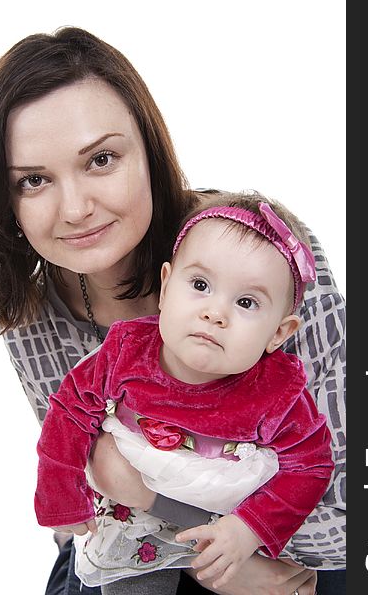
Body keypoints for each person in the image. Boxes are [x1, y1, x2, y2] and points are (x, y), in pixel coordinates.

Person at [0, 27, 345, 595]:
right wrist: (180, 537)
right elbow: (85, 495)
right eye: (34, 180)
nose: (76, 208)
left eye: (101, 159)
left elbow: (360, 511)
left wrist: (215, 537)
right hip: (147, 548)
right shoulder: (33, 317)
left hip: (291, 552)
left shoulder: (263, 257)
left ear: (149, 150)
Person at [34, 193, 334, 593]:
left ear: (279, 333)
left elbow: (311, 465)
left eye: (246, 302)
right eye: (200, 284)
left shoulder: (277, 393)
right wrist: (59, 488)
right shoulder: (127, 352)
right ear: (166, 284)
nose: (215, 312)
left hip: (222, 520)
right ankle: (69, 548)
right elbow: (69, 410)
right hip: (131, 512)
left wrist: (248, 530)